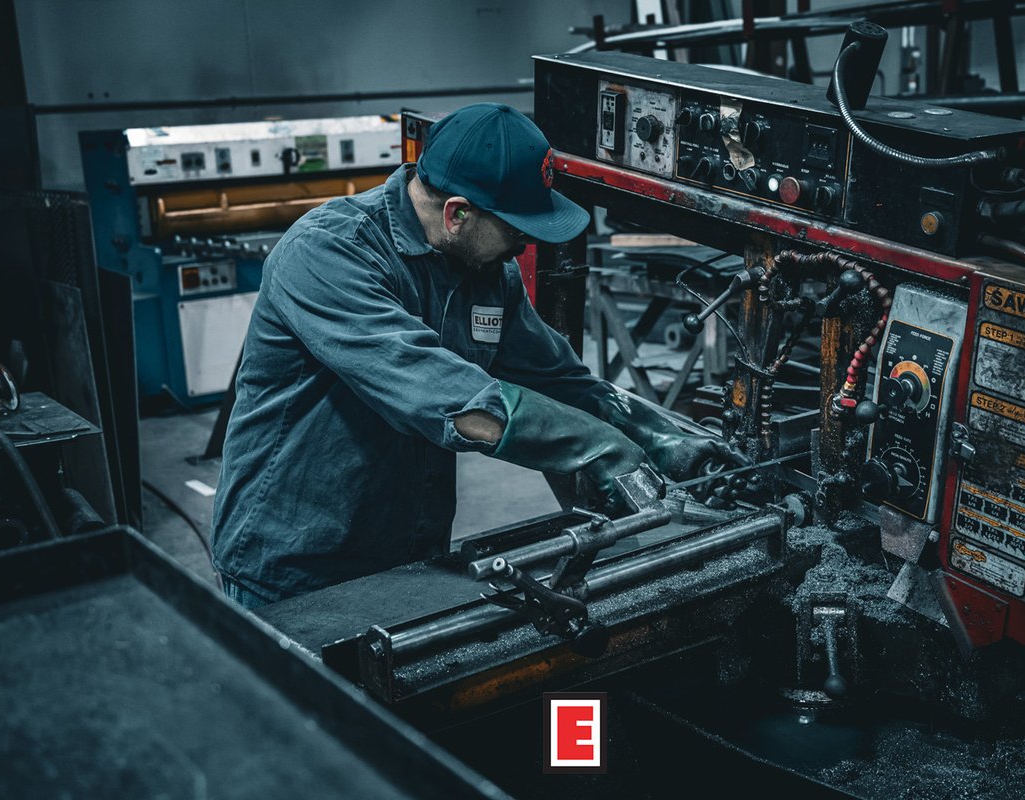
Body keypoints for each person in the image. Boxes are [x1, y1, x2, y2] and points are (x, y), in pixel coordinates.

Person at [212, 103, 745, 608]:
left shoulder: (488, 271)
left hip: (410, 549)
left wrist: (665, 437)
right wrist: (598, 448)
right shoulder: (329, 252)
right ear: (457, 214)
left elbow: (559, 380)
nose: (524, 246)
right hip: (295, 563)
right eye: (516, 229)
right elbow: (451, 402)